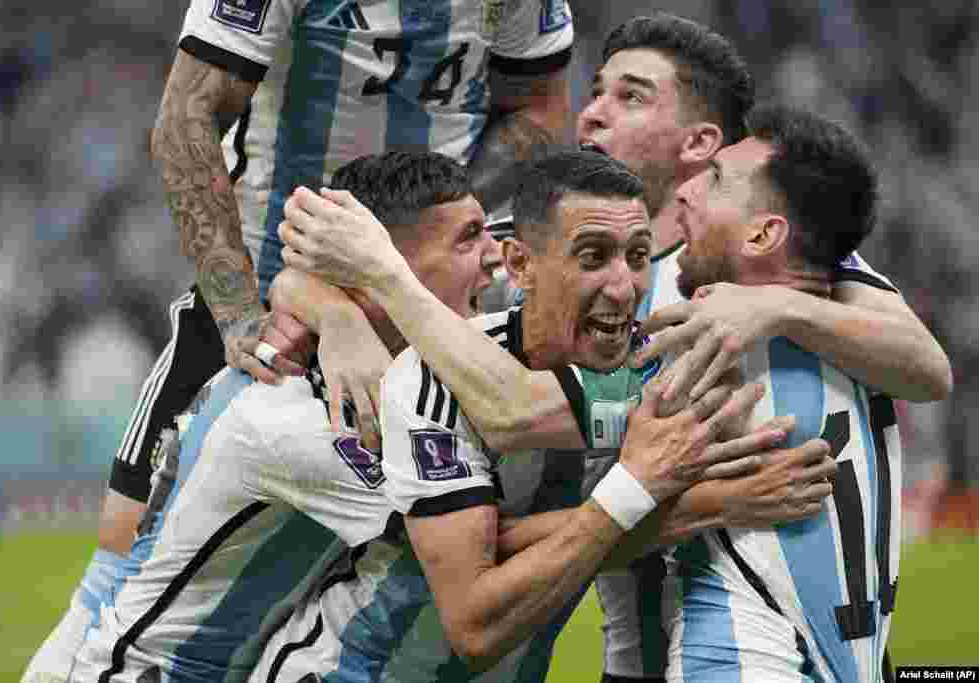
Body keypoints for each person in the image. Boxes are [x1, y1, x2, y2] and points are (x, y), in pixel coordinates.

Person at [273, 13, 951, 682]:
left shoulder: (755, 260)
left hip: (752, 634)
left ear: (700, 144)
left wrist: (776, 304)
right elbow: (308, 266)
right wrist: (338, 315)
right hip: (631, 634)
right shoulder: (541, 248)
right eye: (595, 91)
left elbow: (926, 364)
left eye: (630, 97)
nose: (591, 112)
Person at [22, 1, 576, 681]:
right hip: (258, 305)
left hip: (418, 305)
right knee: (124, 570)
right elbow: (185, 117)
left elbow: (540, 113)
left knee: (394, 576)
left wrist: (437, 220)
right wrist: (243, 317)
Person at [250, 149, 837, 682]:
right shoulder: (428, 381)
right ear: (521, 266)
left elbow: (518, 536)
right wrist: (680, 499)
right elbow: (476, 625)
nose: (624, 285)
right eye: (593, 257)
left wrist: (787, 306)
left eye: (637, 257)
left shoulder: (651, 370)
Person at [68, 151, 498, 682]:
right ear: (378, 266)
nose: (495, 254)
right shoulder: (292, 410)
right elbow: (461, 535)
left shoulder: (326, 363)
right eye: (469, 237)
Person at [665, 102, 903, 682]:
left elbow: (935, 372)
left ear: (765, 233)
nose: (687, 191)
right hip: (740, 648)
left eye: (716, 178)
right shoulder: (859, 327)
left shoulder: (858, 320)